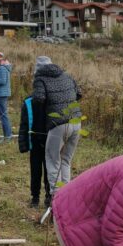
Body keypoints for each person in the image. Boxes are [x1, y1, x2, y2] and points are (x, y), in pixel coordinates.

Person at [32, 58, 81, 196]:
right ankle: (67, 195)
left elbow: (38, 99)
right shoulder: (66, 75)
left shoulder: (40, 79)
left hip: (58, 124)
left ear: (38, 69)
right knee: (66, 160)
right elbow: (79, 93)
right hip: (76, 122)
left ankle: (56, 197)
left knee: (53, 160)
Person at [18, 57, 50, 208]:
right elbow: (24, 124)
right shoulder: (29, 102)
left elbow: (24, 124)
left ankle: (44, 197)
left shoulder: (31, 101)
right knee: (42, 168)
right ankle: (38, 197)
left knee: (44, 168)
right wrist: (24, 144)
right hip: (40, 138)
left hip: (47, 138)